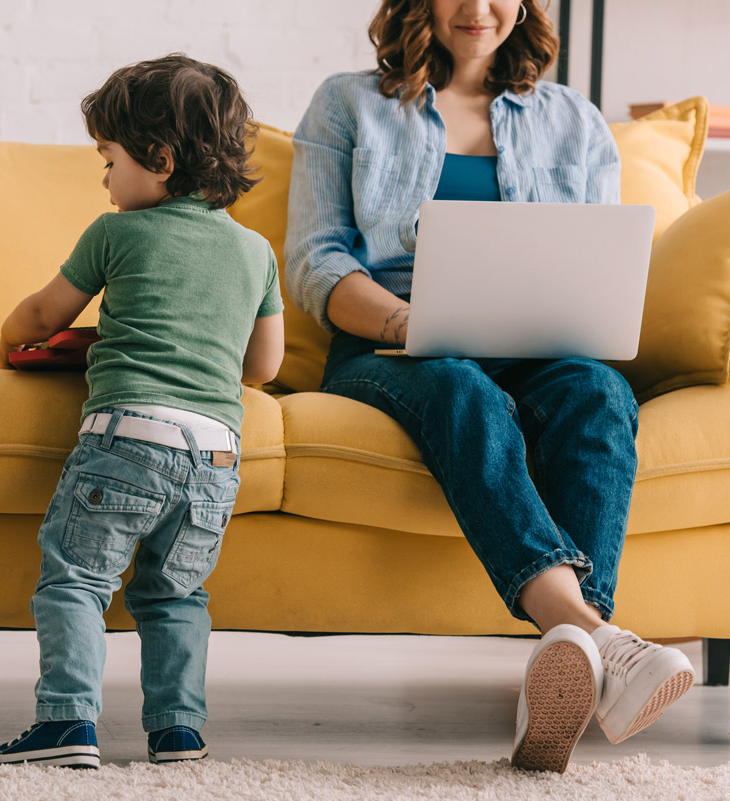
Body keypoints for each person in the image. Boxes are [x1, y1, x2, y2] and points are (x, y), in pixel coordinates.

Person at [285, 0, 693, 773]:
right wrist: (412, 323)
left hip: (535, 343)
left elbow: (592, 261)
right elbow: (316, 262)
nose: (479, 8)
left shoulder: (575, 120)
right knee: (460, 388)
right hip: (392, 343)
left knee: (601, 395)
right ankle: (599, 639)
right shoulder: (346, 104)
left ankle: (566, 663)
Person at [0, 54, 285, 769]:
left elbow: (41, 313)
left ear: (159, 156)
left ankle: (66, 722)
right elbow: (263, 367)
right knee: (177, 594)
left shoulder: (114, 233)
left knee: (77, 579)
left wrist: (8, 335)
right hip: (215, 458)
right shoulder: (255, 251)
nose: (106, 179)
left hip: (125, 442)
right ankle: (178, 731)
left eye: (108, 160)